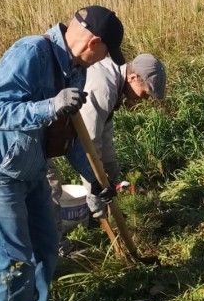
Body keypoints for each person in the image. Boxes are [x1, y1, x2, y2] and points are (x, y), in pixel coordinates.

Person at [0, 6, 124, 301]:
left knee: (47, 248)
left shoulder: (75, 71)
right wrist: (49, 106)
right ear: (93, 42)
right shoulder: (31, 52)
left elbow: (68, 138)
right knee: (14, 261)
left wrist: (95, 179)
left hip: (33, 168)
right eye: (105, 54)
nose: (102, 61)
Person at [49, 53, 167, 237]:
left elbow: (104, 136)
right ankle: (57, 252)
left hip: (54, 135)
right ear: (133, 77)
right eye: (145, 93)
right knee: (49, 190)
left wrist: (112, 175)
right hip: (34, 132)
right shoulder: (104, 88)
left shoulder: (115, 84)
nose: (144, 99)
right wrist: (94, 194)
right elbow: (88, 145)